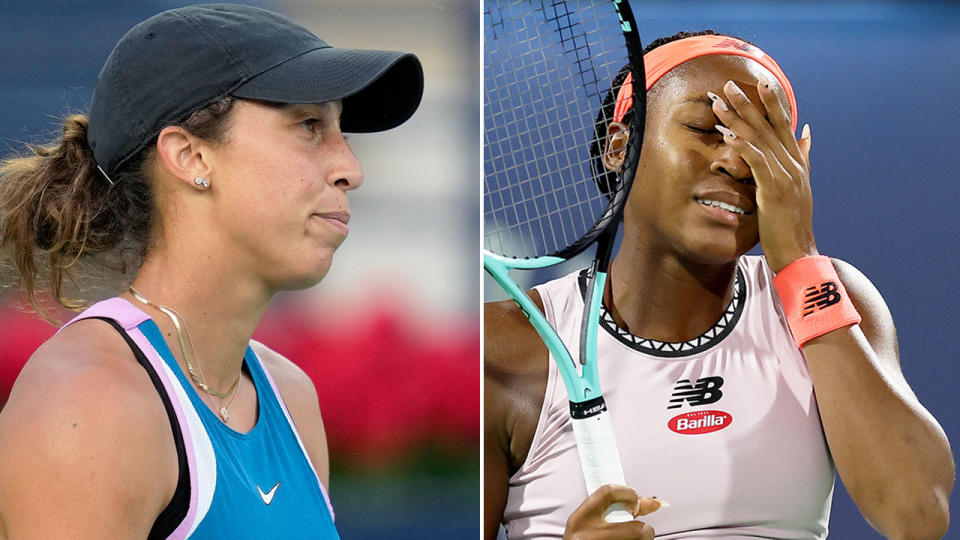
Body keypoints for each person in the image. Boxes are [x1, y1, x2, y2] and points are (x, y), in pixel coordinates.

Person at [485, 31, 953, 540]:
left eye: (763, 142)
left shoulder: (833, 301)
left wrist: (799, 258)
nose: (735, 162)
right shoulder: (506, 347)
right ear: (621, 147)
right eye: (707, 128)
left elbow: (918, 516)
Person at [0, 4, 422, 538]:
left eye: (340, 130)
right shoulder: (88, 404)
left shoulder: (292, 397)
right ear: (192, 157)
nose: (350, 169)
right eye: (310, 125)